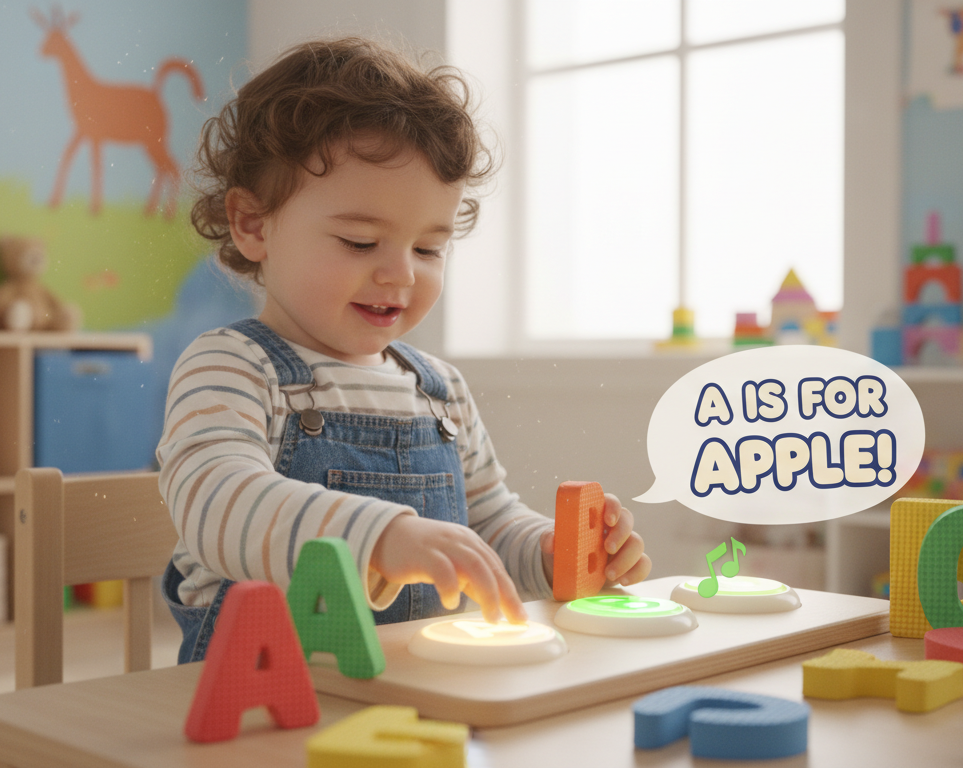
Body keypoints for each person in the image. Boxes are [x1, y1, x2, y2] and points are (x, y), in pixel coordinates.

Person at [158, 36, 652, 663]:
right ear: (254, 225)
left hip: (419, 691)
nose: (402, 276)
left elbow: (487, 525)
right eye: (361, 243)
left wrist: (554, 557)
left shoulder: (437, 389)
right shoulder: (230, 365)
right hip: (267, 704)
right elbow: (216, 502)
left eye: (428, 249)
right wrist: (381, 537)